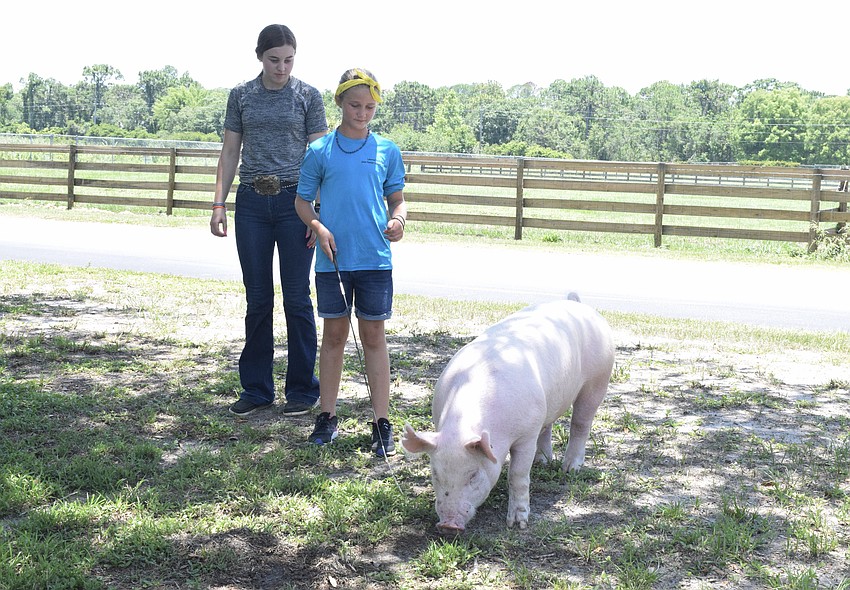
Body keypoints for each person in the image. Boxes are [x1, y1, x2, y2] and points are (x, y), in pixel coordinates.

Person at [210, 24, 327, 417]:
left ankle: (301, 390)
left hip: (297, 204)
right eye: (274, 60)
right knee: (258, 298)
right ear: (259, 56)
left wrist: (317, 215)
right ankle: (257, 389)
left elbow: (319, 156)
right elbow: (229, 152)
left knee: (297, 298)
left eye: (289, 60)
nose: (282, 68)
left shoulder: (308, 96)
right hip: (252, 205)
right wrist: (218, 204)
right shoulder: (241, 96)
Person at [294, 68, 407, 457]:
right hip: (333, 260)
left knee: (374, 339)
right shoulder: (320, 150)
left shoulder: (387, 150)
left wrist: (399, 220)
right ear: (340, 102)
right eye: (355, 105)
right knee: (335, 337)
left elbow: (397, 199)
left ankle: (381, 422)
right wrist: (317, 226)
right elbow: (302, 201)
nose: (362, 113)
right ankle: (327, 416)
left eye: (370, 106)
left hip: (374, 259)